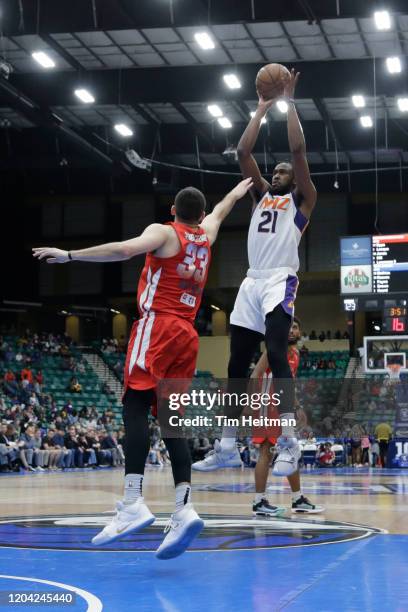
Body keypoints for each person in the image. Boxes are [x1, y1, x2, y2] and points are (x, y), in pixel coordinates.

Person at [33, 177, 253, 559]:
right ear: (200, 215)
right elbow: (223, 209)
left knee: (134, 406)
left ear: (173, 211)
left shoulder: (164, 233)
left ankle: (133, 501)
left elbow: (123, 250)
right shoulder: (206, 236)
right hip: (187, 335)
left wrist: (69, 255)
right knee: (171, 422)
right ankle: (183, 509)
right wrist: (240, 190)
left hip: (158, 326)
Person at [192, 69, 317, 476]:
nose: (278, 174)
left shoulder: (303, 202)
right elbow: (244, 154)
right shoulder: (261, 196)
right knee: (236, 363)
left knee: (278, 355)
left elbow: (298, 154)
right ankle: (227, 444)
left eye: (283, 173)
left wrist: (290, 104)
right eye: (275, 172)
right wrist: (262, 108)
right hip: (251, 279)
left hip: (280, 277)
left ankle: (289, 443)